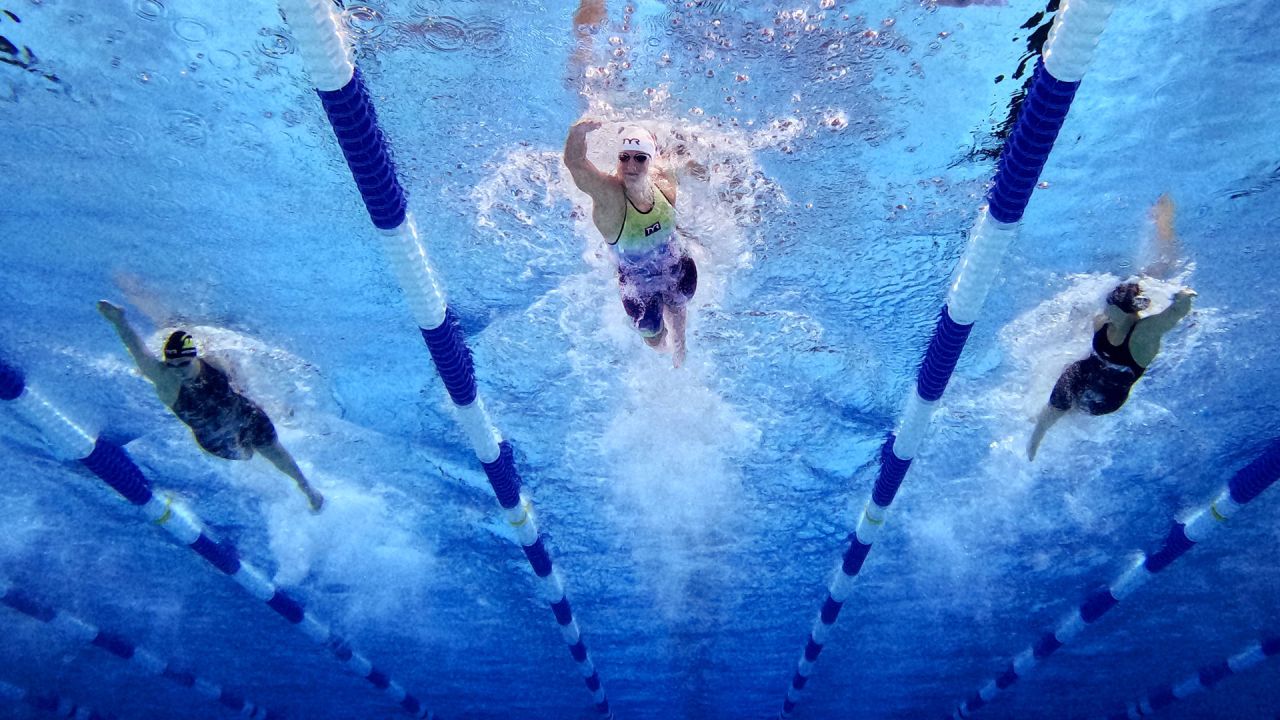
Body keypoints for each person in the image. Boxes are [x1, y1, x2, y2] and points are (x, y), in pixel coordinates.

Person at [97, 300, 324, 511]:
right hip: (216, 440)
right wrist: (119, 321)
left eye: (184, 363)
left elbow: (243, 386)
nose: (179, 370)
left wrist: (273, 406)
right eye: (172, 364)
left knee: (274, 451)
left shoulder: (214, 362)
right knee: (247, 457)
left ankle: (306, 487)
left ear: (195, 357)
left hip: (246, 417)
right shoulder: (166, 380)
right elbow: (139, 352)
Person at [563, 120, 697, 367]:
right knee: (654, 337)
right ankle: (665, 351)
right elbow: (576, 164)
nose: (630, 166)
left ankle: (681, 348)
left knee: (678, 309)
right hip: (638, 287)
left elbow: (689, 162)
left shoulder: (663, 179)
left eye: (639, 158)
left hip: (675, 266)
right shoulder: (610, 198)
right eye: (624, 157)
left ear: (651, 160)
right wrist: (577, 133)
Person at [1026, 281, 1196, 460]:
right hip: (1086, 372)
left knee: (1075, 407)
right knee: (1059, 399)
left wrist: (1184, 297)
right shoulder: (1103, 323)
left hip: (1107, 396)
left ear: (1120, 310)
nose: (1104, 309)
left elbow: (1173, 315)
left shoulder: (1143, 335)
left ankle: (1063, 414)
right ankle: (1036, 436)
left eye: (1108, 306)